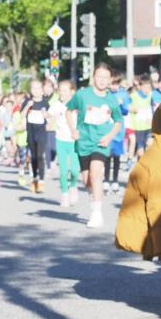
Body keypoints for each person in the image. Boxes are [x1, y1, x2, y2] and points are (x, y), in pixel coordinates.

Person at [67, 63, 123, 228]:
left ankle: (97, 213)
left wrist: (110, 136)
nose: (102, 80)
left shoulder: (112, 99)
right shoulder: (82, 95)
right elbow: (69, 111)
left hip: (101, 142)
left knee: (96, 173)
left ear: (110, 80)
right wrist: (73, 130)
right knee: (86, 180)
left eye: (105, 78)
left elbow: (119, 120)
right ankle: (94, 202)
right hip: (84, 141)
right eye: (99, 77)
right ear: (93, 77)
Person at [52, 79, 80, 208]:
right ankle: (64, 194)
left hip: (74, 141)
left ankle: (73, 187)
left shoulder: (77, 104)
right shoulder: (56, 105)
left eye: (64, 90)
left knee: (74, 170)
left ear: (72, 91)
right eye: (60, 90)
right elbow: (47, 114)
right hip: (61, 140)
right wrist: (43, 114)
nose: (61, 93)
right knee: (63, 170)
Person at [22, 79, 50, 194]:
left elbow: (49, 117)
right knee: (33, 157)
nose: (36, 91)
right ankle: (34, 180)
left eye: (38, 88)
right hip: (31, 132)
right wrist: (27, 107)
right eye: (33, 88)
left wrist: (46, 115)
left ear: (42, 90)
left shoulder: (45, 103)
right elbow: (22, 115)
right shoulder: (28, 102)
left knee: (40, 156)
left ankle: (42, 181)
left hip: (42, 132)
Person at [129, 74, 155, 162]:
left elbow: (153, 108)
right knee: (140, 151)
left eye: (149, 87)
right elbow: (127, 107)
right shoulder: (133, 96)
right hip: (138, 127)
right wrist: (132, 109)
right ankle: (140, 164)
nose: (147, 90)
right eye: (145, 87)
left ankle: (145, 164)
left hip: (149, 126)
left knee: (149, 145)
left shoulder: (151, 95)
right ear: (140, 86)